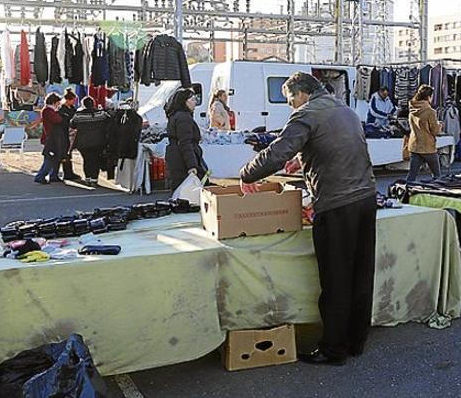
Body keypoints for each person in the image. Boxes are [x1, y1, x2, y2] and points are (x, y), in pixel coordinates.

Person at [239, 72, 376, 366]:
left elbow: (277, 151)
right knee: (361, 275)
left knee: (336, 279)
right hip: (366, 199)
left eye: (290, 101)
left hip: (337, 204)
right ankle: (356, 341)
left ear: (301, 94)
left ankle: (333, 350)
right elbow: (337, 147)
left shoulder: (307, 113)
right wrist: (301, 159)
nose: (291, 106)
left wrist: (247, 173)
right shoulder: (345, 110)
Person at [166, 88, 208, 191]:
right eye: (193, 100)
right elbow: (185, 143)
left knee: (180, 191)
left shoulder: (176, 116)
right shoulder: (183, 118)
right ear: (184, 102)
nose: (195, 103)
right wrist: (192, 166)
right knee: (187, 191)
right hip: (182, 161)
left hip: (177, 157)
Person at [406, 85, 443, 182]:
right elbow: (435, 131)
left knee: (411, 175)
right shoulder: (430, 112)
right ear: (428, 97)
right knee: (437, 176)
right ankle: (435, 195)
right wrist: (439, 125)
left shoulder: (412, 109)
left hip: (414, 145)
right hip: (427, 147)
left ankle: (405, 194)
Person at [71, 96, 110, 185]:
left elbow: (72, 125)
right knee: (95, 160)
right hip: (98, 141)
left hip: (83, 142)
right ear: (93, 104)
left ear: (83, 105)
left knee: (87, 160)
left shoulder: (78, 115)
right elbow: (109, 120)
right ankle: (94, 179)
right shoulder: (101, 114)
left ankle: (88, 178)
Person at [34, 93, 66, 184]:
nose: (58, 105)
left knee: (54, 158)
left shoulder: (48, 110)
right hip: (50, 138)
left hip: (52, 138)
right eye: (57, 103)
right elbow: (58, 119)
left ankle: (53, 175)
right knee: (50, 159)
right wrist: (58, 113)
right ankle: (40, 176)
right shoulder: (48, 111)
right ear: (54, 102)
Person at [58, 90, 82, 181]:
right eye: (73, 100)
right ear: (68, 100)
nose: (74, 102)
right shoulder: (62, 109)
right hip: (64, 133)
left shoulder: (72, 108)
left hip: (72, 133)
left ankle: (69, 172)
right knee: (65, 154)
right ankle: (67, 173)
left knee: (69, 153)